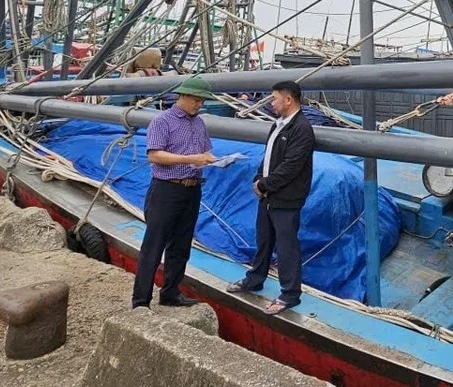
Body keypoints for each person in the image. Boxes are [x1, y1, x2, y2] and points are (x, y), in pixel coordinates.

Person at [226, 80, 315, 315]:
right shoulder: (278, 125)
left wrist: (264, 185)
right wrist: (259, 180)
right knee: (263, 240)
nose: (272, 102)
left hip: (286, 198)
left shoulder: (302, 129)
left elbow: (291, 166)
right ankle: (254, 279)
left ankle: (290, 294)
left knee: (286, 247)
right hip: (268, 196)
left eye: (274, 98)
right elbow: (267, 158)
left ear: (288, 99)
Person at [130, 75, 216, 309]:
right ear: (183, 96)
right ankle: (140, 302)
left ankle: (170, 293)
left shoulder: (199, 123)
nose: (199, 105)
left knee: (181, 245)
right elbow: (155, 155)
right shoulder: (162, 121)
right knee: (154, 246)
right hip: (166, 190)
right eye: (197, 100)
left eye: (202, 101)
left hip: (192, 189)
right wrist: (191, 158)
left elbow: (205, 150)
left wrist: (211, 160)